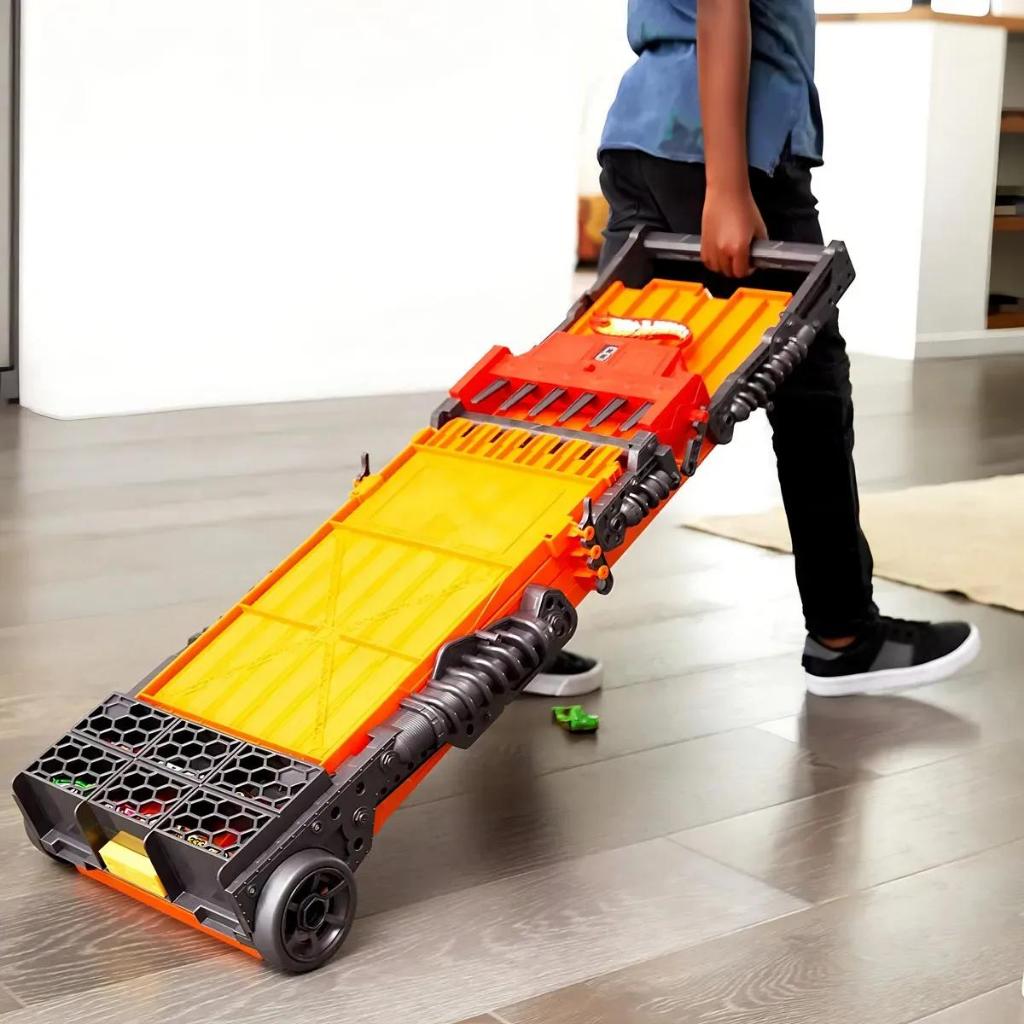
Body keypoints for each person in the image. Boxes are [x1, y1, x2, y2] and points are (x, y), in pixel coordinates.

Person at [527, 0, 979, 699]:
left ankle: (508, 628)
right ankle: (844, 637)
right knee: (811, 394)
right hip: (730, 148)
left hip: (647, 136)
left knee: (598, 398)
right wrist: (727, 186)